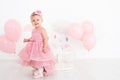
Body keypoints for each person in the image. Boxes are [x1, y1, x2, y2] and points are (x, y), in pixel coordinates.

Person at [19, 10, 55, 78]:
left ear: (42, 20)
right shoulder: (34, 30)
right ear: (31, 22)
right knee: (35, 59)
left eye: (37, 20)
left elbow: (45, 39)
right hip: (34, 47)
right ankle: (38, 69)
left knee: (41, 59)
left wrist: (44, 47)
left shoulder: (42, 30)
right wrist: (27, 40)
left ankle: (40, 71)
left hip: (41, 47)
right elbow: (33, 38)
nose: (35, 22)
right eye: (33, 20)